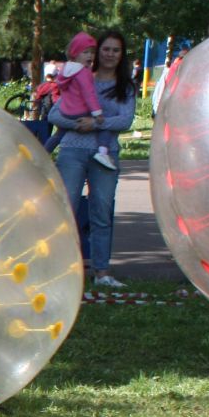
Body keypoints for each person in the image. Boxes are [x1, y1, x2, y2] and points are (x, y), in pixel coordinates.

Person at [50, 28, 137, 290]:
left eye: (116, 50)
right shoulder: (79, 76)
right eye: (106, 49)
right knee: (66, 211)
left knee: (102, 212)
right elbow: (55, 114)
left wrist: (96, 123)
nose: (110, 54)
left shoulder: (126, 87)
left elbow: (125, 120)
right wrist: (80, 125)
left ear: (122, 55)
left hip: (106, 157)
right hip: (73, 151)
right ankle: (60, 270)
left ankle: (102, 272)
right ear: (96, 52)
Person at [54, 32, 115, 171]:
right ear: (75, 53)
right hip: (80, 112)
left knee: (58, 134)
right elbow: (89, 94)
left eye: (92, 53)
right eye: (85, 52)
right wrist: (97, 114)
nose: (90, 56)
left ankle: (44, 151)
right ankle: (103, 152)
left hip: (66, 111)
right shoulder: (83, 72)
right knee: (105, 123)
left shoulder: (66, 70)